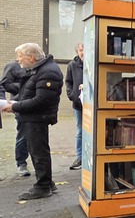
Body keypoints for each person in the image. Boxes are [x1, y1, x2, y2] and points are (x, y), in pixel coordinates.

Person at [1, 43, 63, 200]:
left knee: (38, 152)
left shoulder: (48, 72)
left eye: (20, 56)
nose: (18, 60)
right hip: (33, 117)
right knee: (37, 150)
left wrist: (15, 107)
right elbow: (27, 93)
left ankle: (43, 186)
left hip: (38, 118)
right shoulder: (39, 70)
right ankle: (48, 183)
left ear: (31, 57)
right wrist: (12, 102)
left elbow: (41, 100)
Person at [1, 61, 31, 177]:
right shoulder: (13, 66)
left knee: (35, 136)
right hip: (19, 104)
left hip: (35, 105)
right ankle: (21, 163)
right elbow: (5, 84)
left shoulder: (36, 67)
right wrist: (24, 86)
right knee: (23, 134)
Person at [65, 42, 84, 170]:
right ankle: (80, 157)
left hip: (92, 105)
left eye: (85, 50)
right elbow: (68, 82)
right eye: (81, 50)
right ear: (77, 52)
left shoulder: (92, 63)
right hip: (78, 104)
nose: (83, 52)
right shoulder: (72, 65)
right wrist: (72, 95)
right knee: (80, 131)